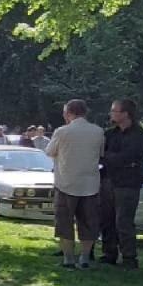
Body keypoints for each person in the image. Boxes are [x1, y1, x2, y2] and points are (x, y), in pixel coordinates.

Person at [46, 100, 105, 269]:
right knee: (88, 222)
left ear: (69, 113)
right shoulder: (98, 131)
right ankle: (85, 257)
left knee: (64, 222)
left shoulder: (62, 131)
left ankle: (68, 258)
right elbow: (100, 153)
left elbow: (50, 151)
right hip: (90, 184)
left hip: (66, 182)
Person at [98, 99, 143, 269]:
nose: (111, 114)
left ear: (125, 113)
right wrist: (111, 158)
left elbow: (130, 156)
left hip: (128, 183)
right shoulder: (110, 134)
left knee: (124, 221)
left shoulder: (140, 134)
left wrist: (110, 157)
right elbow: (101, 155)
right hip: (109, 180)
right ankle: (109, 253)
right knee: (107, 219)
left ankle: (129, 257)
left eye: (115, 111)